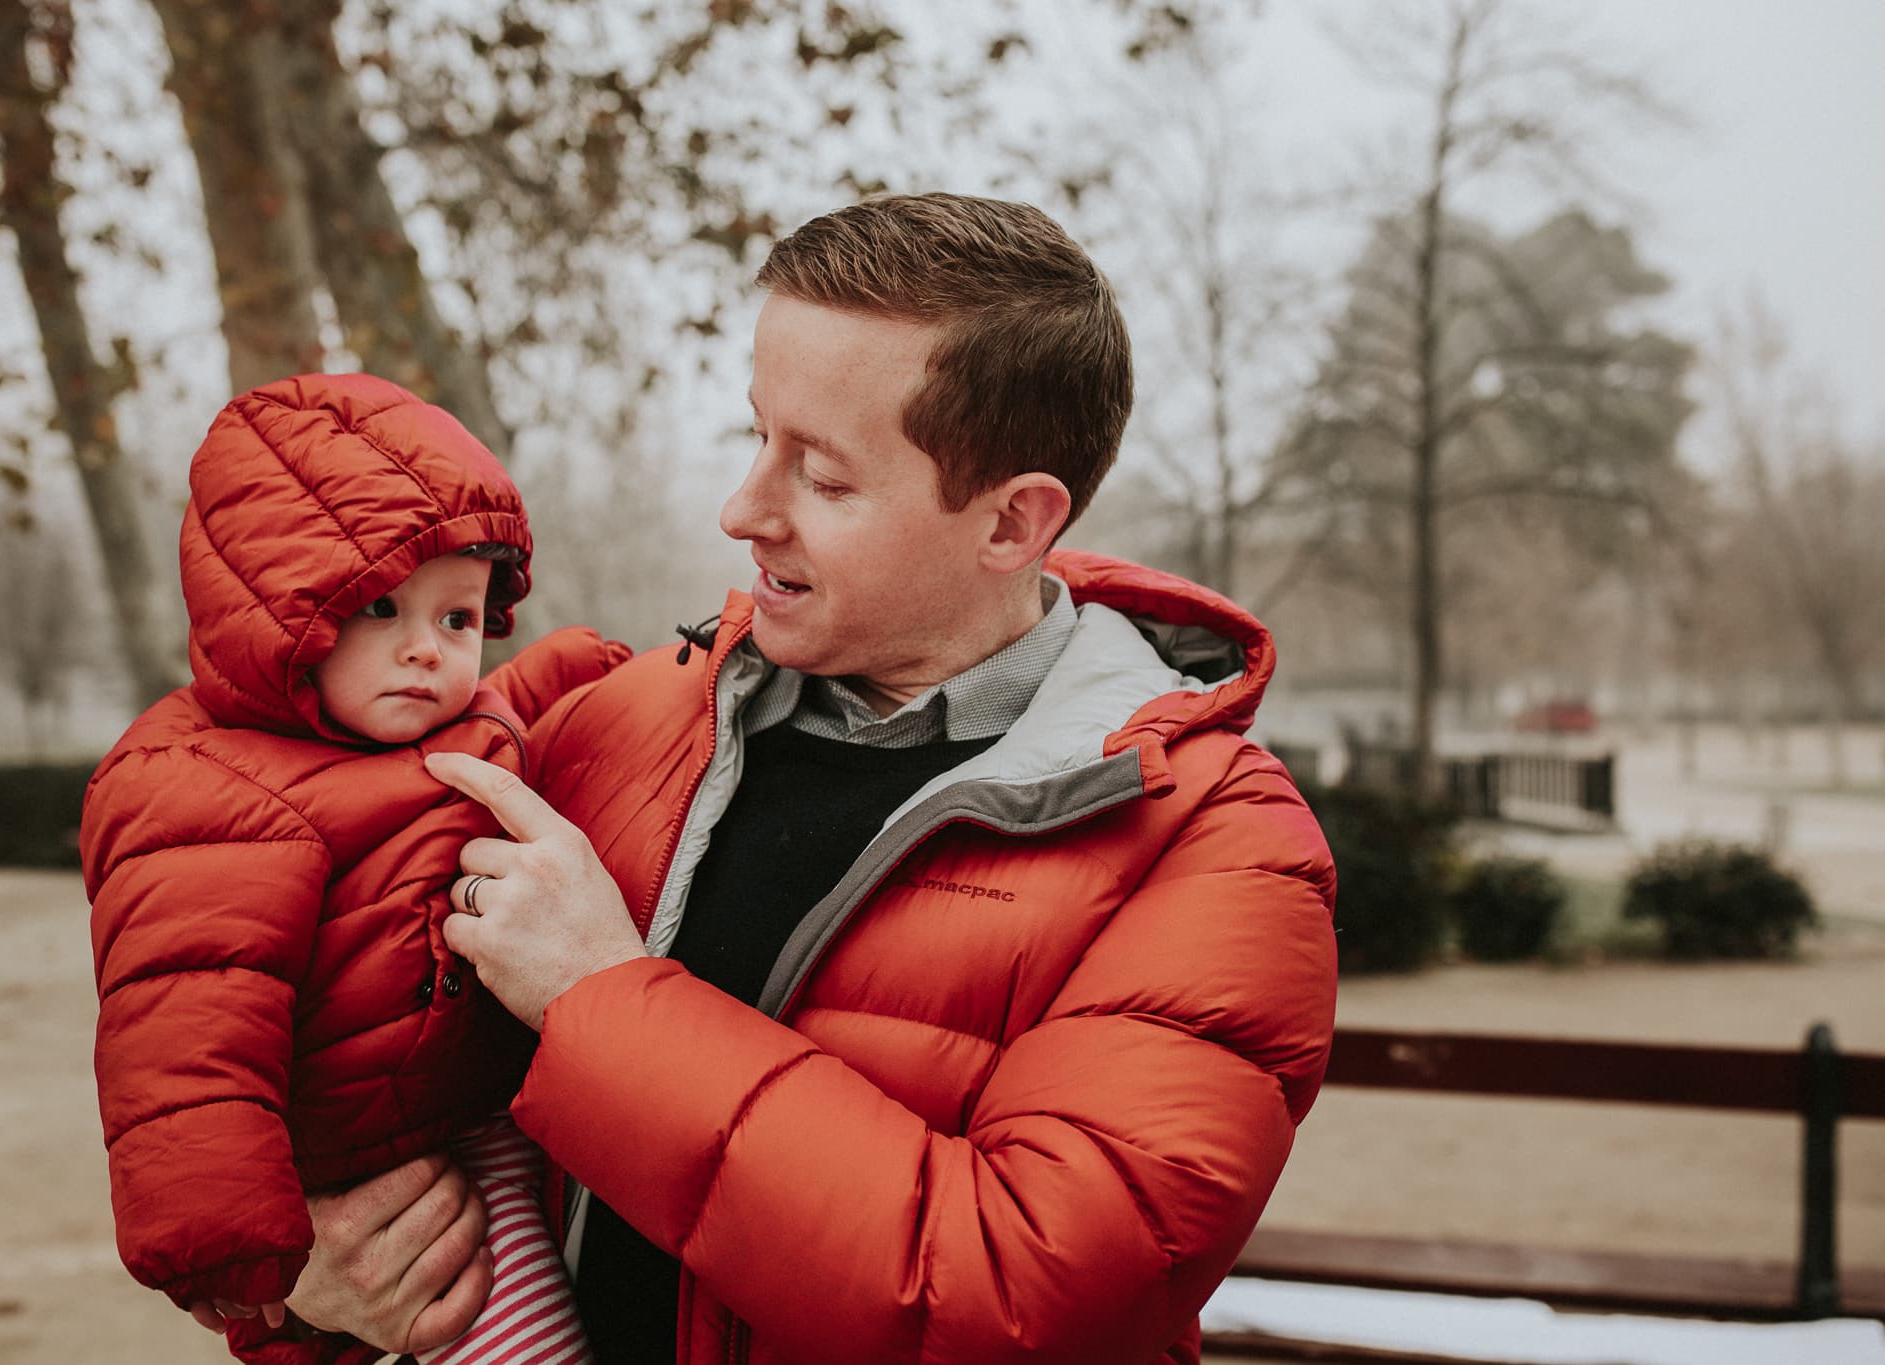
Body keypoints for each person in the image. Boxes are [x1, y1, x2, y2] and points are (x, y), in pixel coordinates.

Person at [289, 194, 1339, 1365]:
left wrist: (599, 999)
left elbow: (1017, 1300)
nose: (742, 510)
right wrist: (305, 1274)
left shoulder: (1217, 845)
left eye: (823, 479)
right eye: (756, 439)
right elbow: (346, 1061)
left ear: (1010, 524)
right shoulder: (616, 723)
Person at [81, 373, 624, 1365]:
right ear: (277, 611)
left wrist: (584, 665)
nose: (426, 652)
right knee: (514, 1338)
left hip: (470, 1106)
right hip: (380, 1163)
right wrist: (229, 1245)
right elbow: (184, 1023)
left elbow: (503, 708)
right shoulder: (203, 786)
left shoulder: (422, 725)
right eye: (379, 609)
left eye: (457, 619)